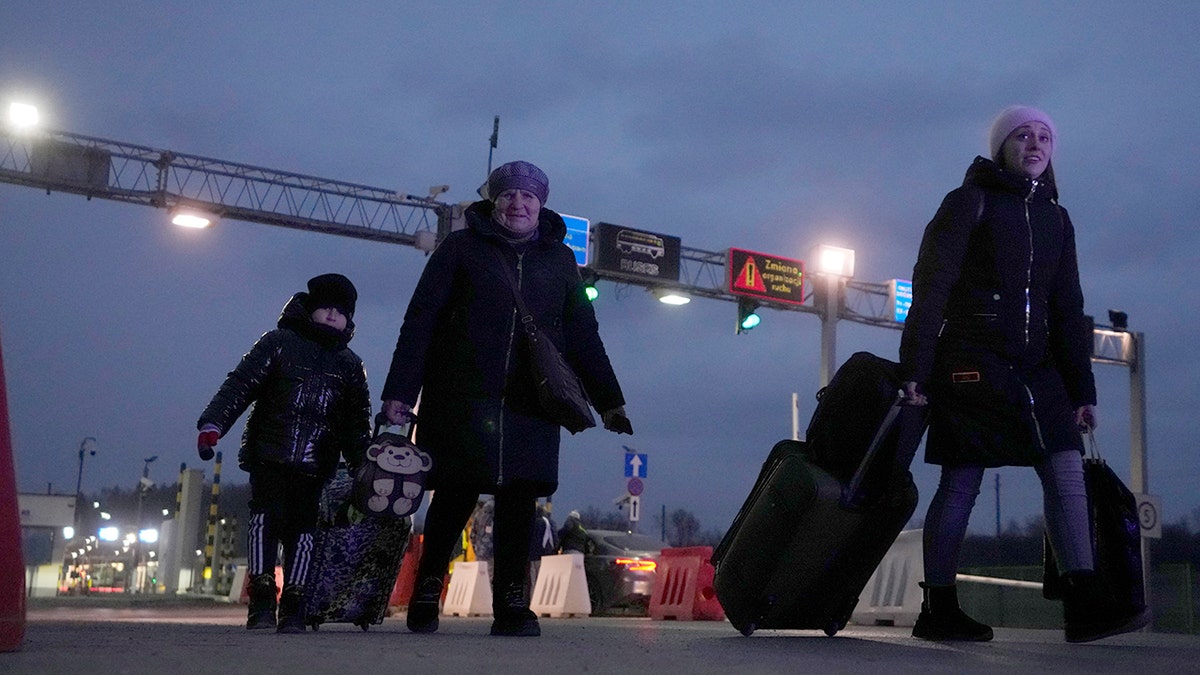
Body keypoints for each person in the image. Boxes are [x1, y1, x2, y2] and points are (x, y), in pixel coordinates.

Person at [899, 106, 1149, 643]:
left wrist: (1082, 389)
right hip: (971, 361)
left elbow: (1067, 307)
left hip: (1038, 370)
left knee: (1066, 469)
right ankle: (938, 607)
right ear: (1001, 147)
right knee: (962, 479)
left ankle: (1083, 604)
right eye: (1022, 135)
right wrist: (915, 368)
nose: (1035, 144)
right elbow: (932, 286)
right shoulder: (970, 202)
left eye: (1045, 137)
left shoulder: (1057, 218)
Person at [381, 160, 631, 637]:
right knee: (454, 495)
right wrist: (399, 394)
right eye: (508, 196)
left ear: (541, 204)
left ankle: (513, 603)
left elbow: (583, 334)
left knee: (521, 499)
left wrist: (609, 399)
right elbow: (420, 324)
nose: (518, 204)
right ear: (494, 202)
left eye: (528, 197)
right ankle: (428, 589)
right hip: (462, 395)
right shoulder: (460, 249)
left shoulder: (559, 261)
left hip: (531, 401)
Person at [196, 273, 371, 633]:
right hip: (270, 455)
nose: (333, 316)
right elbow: (240, 384)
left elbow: (357, 424)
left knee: (304, 530)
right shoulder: (278, 343)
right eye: (326, 307)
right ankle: (262, 595)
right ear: (310, 308)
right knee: (265, 520)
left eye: (342, 311)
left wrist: (363, 467)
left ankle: (295, 600)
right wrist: (213, 424)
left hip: (316, 463)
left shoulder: (351, 366)